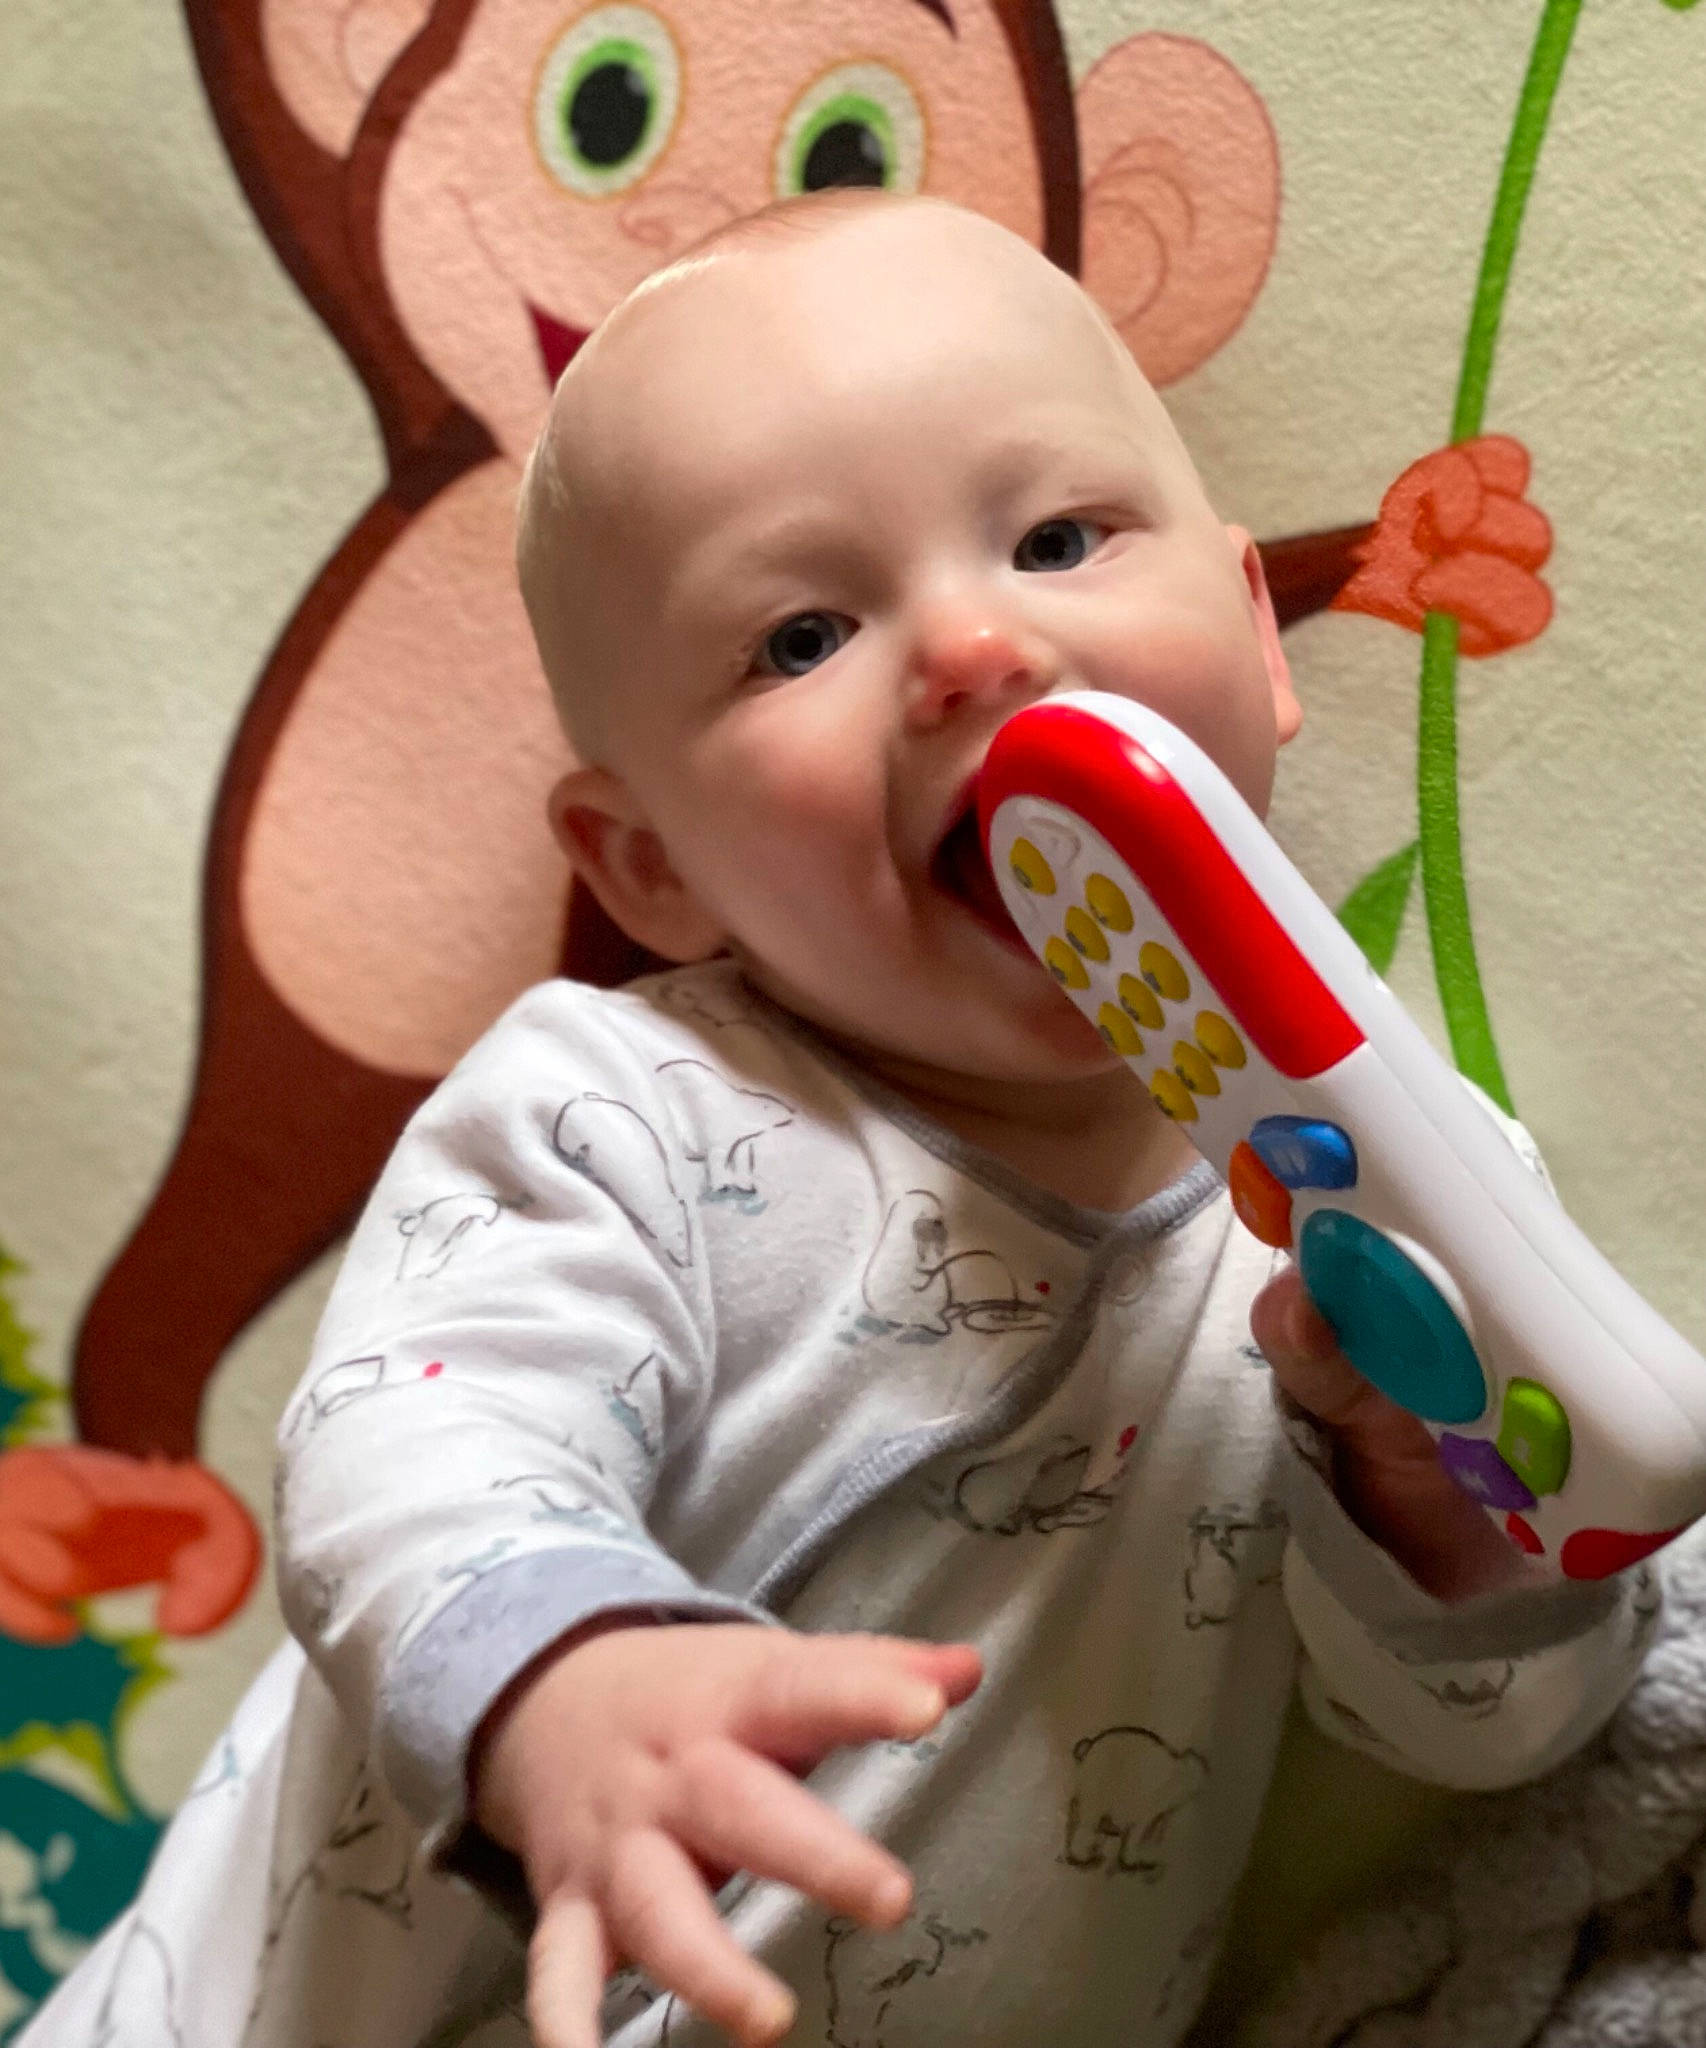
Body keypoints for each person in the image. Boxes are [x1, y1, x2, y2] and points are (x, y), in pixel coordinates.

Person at [20, 191, 1652, 2048]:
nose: (969, 645)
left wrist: (1428, 1504)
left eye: (1056, 538)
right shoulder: (618, 1115)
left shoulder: (1395, 1204)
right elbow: (410, 1444)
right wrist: (557, 1666)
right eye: (801, 637)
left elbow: (1484, 1733)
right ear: (651, 866)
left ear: (1258, 644)